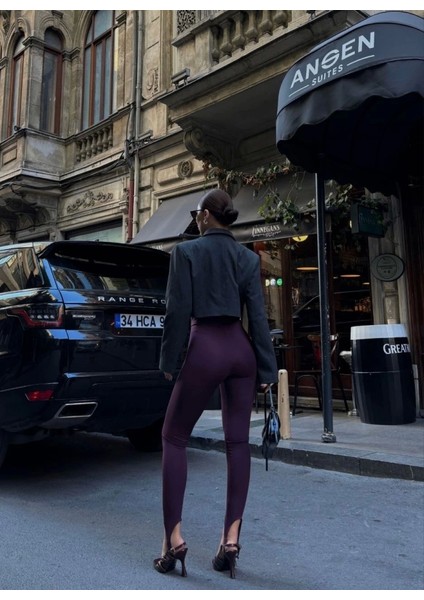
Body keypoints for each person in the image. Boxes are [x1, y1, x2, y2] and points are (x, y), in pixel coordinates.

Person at [154, 188, 278, 579]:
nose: (195, 218)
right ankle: (231, 539)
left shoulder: (185, 252)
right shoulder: (247, 257)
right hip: (240, 350)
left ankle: (173, 539)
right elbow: (258, 316)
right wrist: (267, 371)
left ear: (206, 216)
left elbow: (177, 311)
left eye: (196, 213)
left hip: (204, 346)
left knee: (173, 437)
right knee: (238, 443)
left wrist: (170, 362)